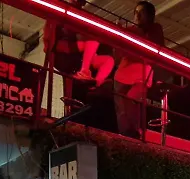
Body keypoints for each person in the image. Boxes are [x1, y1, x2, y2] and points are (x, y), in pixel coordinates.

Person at [114, 1, 165, 138]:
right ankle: (127, 135)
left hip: (140, 75)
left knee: (132, 102)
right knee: (123, 109)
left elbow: (155, 48)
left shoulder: (154, 29)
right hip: (124, 75)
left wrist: (124, 33)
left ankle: (134, 134)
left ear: (150, 16)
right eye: (136, 12)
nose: (137, 16)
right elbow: (118, 54)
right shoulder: (130, 30)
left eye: (141, 13)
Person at [43, 0, 114, 87]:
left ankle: (96, 83)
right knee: (92, 42)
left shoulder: (76, 14)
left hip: (72, 52)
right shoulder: (61, 12)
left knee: (109, 60)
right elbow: (49, 39)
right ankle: (84, 71)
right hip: (61, 50)